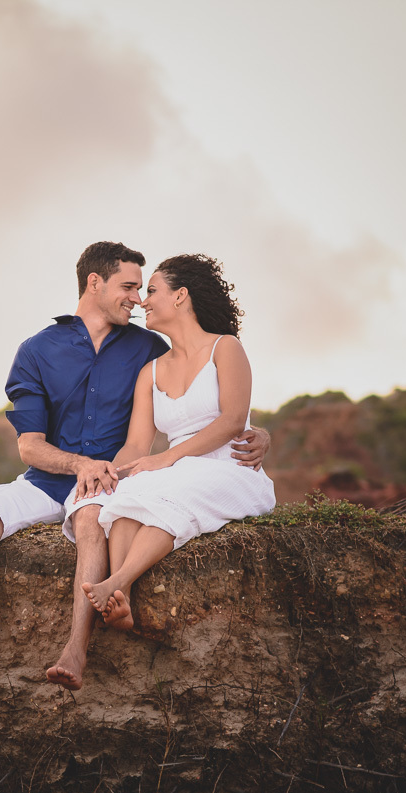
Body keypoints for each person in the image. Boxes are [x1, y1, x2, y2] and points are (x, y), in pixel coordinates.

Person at [0, 243, 270, 696]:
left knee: (90, 520)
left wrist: (258, 432)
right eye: (128, 287)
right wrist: (81, 464)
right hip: (49, 479)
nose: (137, 299)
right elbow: (30, 446)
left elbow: (205, 399)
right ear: (94, 283)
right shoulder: (37, 350)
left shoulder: (148, 348)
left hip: (107, 478)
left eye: (144, 289)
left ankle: (75, 651)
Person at [77, 253, 276, 629]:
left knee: (169, 494)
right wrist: (115, 473)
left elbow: (233, 421)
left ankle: (118, 582)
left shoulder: (225, 348)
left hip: (228, 468)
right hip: (177, 468)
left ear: (181, 296)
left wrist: (166, 459)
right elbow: (137, 445)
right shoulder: (150, 371)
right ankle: (121, 602)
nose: (143, 301)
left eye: (152, 290)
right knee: (126, 498)